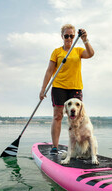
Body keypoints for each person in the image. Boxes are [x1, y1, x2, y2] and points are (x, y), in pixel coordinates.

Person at [39, 24, 95, 154]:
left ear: (74, 36)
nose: (69, 38)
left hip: (75, 88)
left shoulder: (78, 51)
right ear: (62, 36)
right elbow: (49, 71)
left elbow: (91, 54)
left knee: (78, 117)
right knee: (58, 116)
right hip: (59, 87)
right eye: (66, 36)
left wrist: (85, 39)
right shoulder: (57, 52)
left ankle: (78, 148)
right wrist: (43, 89)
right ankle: (55, 146)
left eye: (71, 35)